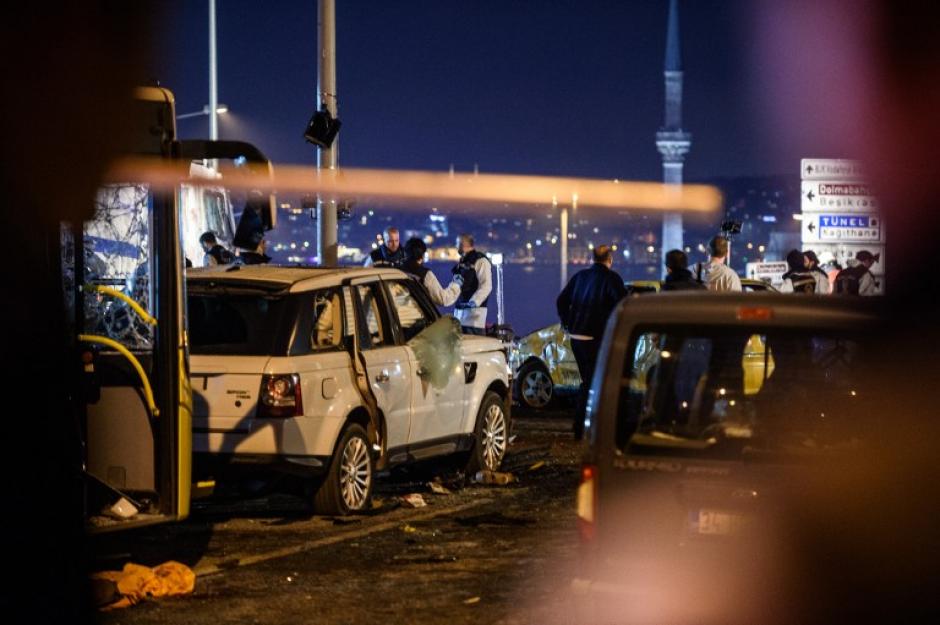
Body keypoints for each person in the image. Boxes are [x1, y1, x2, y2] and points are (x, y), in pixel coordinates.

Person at [556, 245, 629, 439]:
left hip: (576, 338)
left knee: (588, 380)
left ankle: (586, 425)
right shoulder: (611, 279)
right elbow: (623, 304)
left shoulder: (579, 277)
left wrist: (567, 323)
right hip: (596, 338)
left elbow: (561, 301)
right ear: (610, 259)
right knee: (592, 383)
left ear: (592, 259)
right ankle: (581, 428)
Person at [402, 237, 462, 307]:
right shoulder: (425, 274)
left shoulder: (397, 271)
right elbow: (443, 299)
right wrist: (457, 283)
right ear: (422, 256)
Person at [451, 234, 492, 335]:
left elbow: (486, 286)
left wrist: (473, 303)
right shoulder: (463, 263)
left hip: (474, 319)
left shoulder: (481, 261)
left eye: (457, 243)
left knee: (475, 343)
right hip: (459, 318)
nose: (456, 246)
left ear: (463, 244)